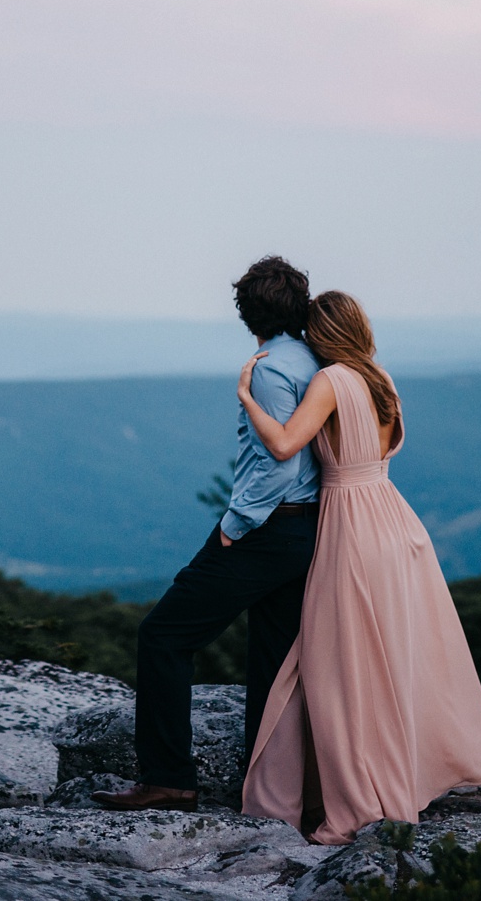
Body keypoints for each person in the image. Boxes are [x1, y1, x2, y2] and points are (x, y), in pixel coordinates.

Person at [238, 290, 481, 843]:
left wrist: (248, 396)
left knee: (341, 662)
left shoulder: (330, 383)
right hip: (395, 521)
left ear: (319, 335)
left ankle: (356, 790)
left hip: (350, 525)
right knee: (392, 653)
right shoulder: (381, 380)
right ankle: (410, 771)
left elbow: (283, 445)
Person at [93, 256, 322, 812]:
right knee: (272, 660)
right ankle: (269, 792)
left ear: (247, 312)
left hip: (266, 527)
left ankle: (169, 778)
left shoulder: (268, 368)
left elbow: (279, 463)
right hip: (306, 530)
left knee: (164, 636)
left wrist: (234, 526)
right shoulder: (316, 359)